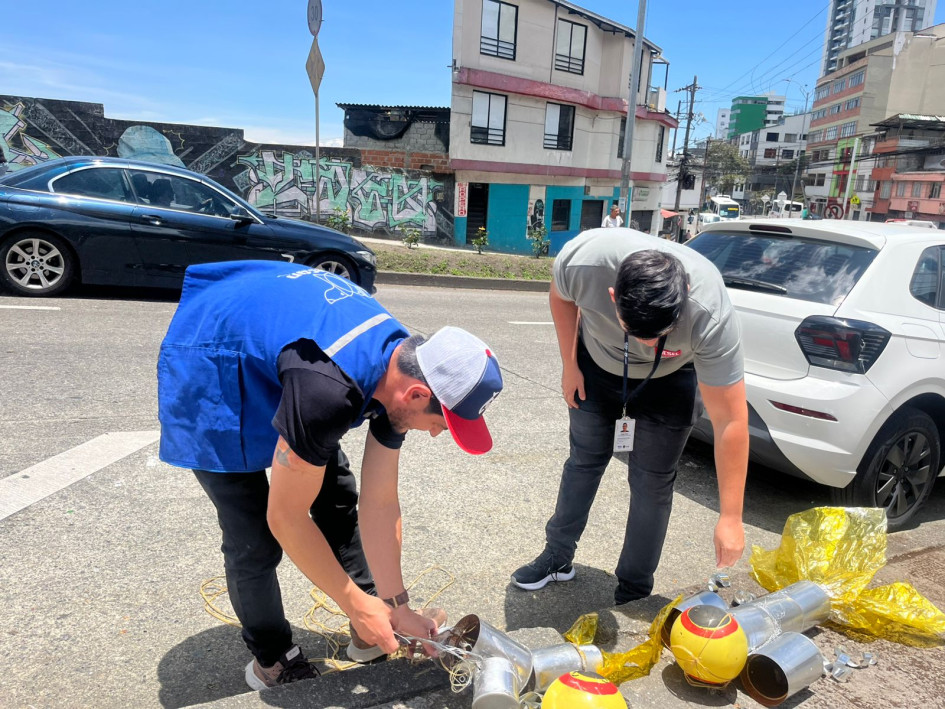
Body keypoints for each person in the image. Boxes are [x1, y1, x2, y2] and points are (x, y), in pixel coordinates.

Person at [157, 260, 503, 690]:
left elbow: (380, 502)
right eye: (440, 423)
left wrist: (395, 605)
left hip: (283, 346)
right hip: (213, 355)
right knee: (255, 537)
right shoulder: (326, 391)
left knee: (338, 498)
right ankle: (273, 658)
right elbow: (285, 517)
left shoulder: (403, 365)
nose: (435, 434)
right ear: (417, 394)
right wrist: (353, 603)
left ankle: (373, 625)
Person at [511, 228, 748, 605]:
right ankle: (557, 557)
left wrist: (731, 517)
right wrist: (569, 364)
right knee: (583, 461)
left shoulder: (710, 313)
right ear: (612, 297)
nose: (646, 344)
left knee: (652, 484)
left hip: (671, 378)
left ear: (683, 300)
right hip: (598, 366)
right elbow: (560, 298)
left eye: (659, 335)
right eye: (635, 331)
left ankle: (634, 590)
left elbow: (731, 421)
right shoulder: (582, 262)